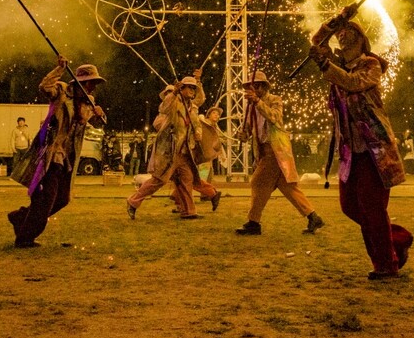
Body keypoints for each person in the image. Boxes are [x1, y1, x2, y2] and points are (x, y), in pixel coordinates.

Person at [309, 6, 412, 280]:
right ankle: (397, 240)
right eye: (339, 33)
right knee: (350, 207)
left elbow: (353, 83)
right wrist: (335, 22)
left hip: (373, 150)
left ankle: (386, 265)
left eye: (348, 31)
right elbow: (316, 41)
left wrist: (325, 66)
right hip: (350, 152)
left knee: (372, 209)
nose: (342, 35)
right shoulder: (338, 65)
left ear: (360, 37)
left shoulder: (371, 64)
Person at [8, 57, 107, 248]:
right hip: (50, 152)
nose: (93, 88)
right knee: (46, 198)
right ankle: (25, 237)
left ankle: (21, 217)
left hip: (67, 157)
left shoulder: (89, 102)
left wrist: (98, 114)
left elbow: (91, 123)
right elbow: (44, 86)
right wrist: (59, 69)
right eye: (90, 83)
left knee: (62, 199)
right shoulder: (61, 91)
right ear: (80, 82)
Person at [234, 71, 324, 236]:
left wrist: (258, 102)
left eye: (255, 86)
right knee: (288, 187)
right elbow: (248, 131)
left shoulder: (275, 100)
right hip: (263, 151)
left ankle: (254, 222)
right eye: (250, 87)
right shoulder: (249, 107)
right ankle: (313, 217)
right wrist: (242, 135)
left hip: (275, 150)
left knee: (257, 183)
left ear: (263, 87)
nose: (252, 90)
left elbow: (274, 117)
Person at [127, 71, 220, 220]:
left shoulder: (191, 107)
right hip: (169, 151)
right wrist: (174, 93)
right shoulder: (173, 103)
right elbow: (163, 108)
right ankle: (133, 202)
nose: (192, 90)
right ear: (181, 89)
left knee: (187, 179)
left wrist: (198, 132)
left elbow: (197, 117)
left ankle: (189, 211)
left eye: (193, 88)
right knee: (159, 180)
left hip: (184, 152)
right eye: (189, 87)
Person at [197, 106, 225, 184]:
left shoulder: (214, 128)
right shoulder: (203, 123)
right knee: (203, 176)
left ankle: (205, 190)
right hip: (202, 155)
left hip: (208, 156)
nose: (216, 115)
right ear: (209, 115)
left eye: (218, 114)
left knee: (208, 175)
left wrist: (222, 154)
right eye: (214, 113)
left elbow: (216, 142)